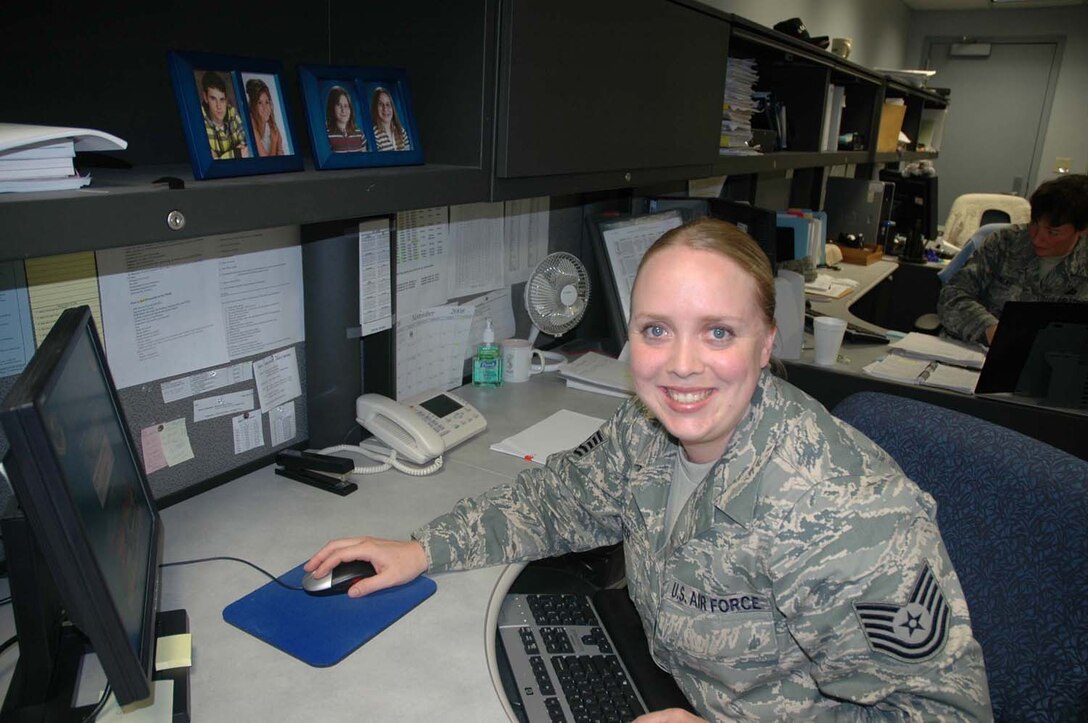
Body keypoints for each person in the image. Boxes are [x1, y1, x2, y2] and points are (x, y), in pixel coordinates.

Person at [307, 219, 991, 720]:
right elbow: (556, 500)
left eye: (718, 331)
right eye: (655, 329)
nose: (682, 365)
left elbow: (944, 715)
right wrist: (423, 546)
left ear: (766, 341)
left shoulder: (843, 512)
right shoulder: (647, 429)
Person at [938, 173, 1088, 344]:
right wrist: (992, 330)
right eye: (1034, 224)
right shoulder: (1005, 242)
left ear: (1082, 230)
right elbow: (952, 296)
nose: (1037, 238)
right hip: (978, 352)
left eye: (1052, 232)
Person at [200, 71, 249, 160]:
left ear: (226, 100)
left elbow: (247, 147)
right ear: (205, 97)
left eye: (222, 99)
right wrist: (236, 153)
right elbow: (209, 162)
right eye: (213, 99)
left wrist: (220, 157)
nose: (219, 106)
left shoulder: (232, 113)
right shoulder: (199, 120)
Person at [245, 78, 285, 157]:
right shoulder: (251, 124)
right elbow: (266, 162)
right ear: (253, 106)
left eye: (267, 102)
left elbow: (280, 153)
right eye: (260, 103)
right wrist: (273, 143)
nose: (265, 107)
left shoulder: (271, 122)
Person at [325, 85, 367, 153]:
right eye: (339, 105)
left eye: (346, 106)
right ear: (332, 107)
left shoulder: (359, 134)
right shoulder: (326, 134)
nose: (343, 110)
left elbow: (365, 159)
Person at [370, 87, 411, 151]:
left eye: (388, 104)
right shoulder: (373, 135)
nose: (385, 109)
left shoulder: (401, 131)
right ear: (375, 108)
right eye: (380, 104)